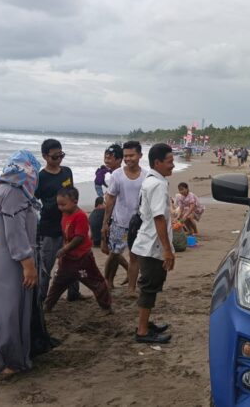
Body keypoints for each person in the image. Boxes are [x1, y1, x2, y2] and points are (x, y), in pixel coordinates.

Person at [0, 150, 41, 374]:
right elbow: (15, 235)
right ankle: (11, 362)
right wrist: (28, 265)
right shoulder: (15, 193)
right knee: (12, 313)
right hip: (13, 261)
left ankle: (5, 356)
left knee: (4, 312)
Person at [132, 143, 176, 344]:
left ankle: (145, 323)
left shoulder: (150, 180)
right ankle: (142, 331)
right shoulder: (157, 185)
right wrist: (168, 250)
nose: (172, 165)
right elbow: (159, 218)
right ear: (157, 162)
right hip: (151, 245)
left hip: (146, 241)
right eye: (169, 162)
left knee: (151, 285)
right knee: (149, 287)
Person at [44, 187, 112, 313]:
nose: (61, 207)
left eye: (64, 204)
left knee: (96, 282)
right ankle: (47, 307)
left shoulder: (80, 216)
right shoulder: (65, 214)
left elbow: (79, 238)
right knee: (57, 284)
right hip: (68, 260)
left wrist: (64, 249)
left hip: (83, 259)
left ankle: (106, 307)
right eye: (59, 204)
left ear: (75, 202)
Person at [35, 139, 81, 306]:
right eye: (55, 157)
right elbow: (33, 200)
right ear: (45, 156)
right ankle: (41, 300)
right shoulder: (40, 177)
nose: (59, 159)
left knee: (73, 260)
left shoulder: (67, 172)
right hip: (49, 227)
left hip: (69, 224)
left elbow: (72, 194)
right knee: (46, 266)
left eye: (61, 155)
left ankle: (74, 294)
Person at [101, 141, 145, 294]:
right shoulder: (117, 175)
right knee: (114, 254)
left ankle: (131, 289)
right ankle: (108, 281)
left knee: (134, 256)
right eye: (126, 156)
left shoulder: (146, 176)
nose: (128, 159)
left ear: (140, 155)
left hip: (138, 223)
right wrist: (105, 223)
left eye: (131, 155)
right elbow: (110, 199)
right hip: (119, 222)